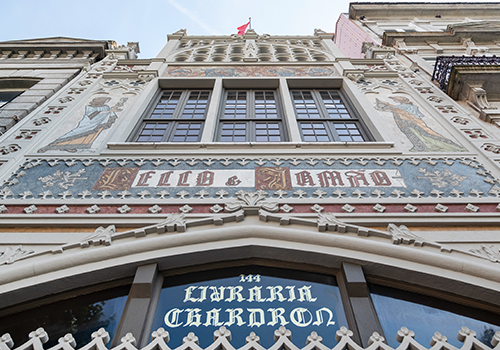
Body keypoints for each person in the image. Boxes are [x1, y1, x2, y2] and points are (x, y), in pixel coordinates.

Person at [375, 96, 466, 152]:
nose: (396, 102)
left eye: (397, 100)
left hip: (412, 122)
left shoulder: (409, 106)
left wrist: (386, 104)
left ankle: (443, 144)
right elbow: (395, 109)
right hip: (405, 123)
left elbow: (400, 110)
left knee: (423, 133)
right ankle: (420, 146)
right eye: (395, 101)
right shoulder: (401, 106)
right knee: (414, 134)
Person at [38, 97, 126, 153]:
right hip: (88, 123)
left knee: (89, 136)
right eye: (106, 100)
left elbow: (108, 112)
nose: (106, 102)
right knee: (75, 133)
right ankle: (50, 146)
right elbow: (93, 115)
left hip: (98, 125)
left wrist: (115, 108)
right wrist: (110, 111)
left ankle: (69, 146)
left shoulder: (106, 107)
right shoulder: (90, 107)